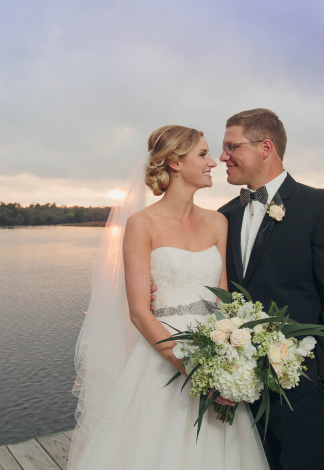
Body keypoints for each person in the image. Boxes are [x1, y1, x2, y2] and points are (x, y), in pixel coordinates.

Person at [67, 125, 268, 469]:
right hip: (163, 363)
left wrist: (229, 362)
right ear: (175, 163)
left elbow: (224, 302)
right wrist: (192, 367)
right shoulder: (142, 224)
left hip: (216, 350)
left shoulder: (218, 222)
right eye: (203, 155)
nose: (213, 163)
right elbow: (139, 313)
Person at [218, 108, 324, 469]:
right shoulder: (224, 215)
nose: (222, 157)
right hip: (240, 387)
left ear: (266, 146)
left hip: (302, 386)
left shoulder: (323, 206)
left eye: (231, 147)